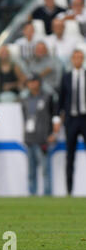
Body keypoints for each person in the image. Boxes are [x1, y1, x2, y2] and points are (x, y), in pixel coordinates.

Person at [53, 49, 86, 195]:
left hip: (85, 118)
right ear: (72, 59)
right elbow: (61, 100)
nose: (78, 60)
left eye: (80, 57)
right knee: (70, 155)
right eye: (75, 57)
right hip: (71, 119)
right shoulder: (66, 77)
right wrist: (57, 118)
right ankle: (69, 190)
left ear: (83, 59)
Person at [21, 74, 57, 196]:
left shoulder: (47, 97)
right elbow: (25, 118)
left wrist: (53, 134)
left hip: (43, 139)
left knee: (45, 170)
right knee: (31, 171)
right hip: (29, 138)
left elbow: (54, 116)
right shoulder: (25, 100)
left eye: (34, 81)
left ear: (39, 82)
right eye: (29, 82)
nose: (31, 84)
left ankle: (47, 194)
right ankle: (32, 195)